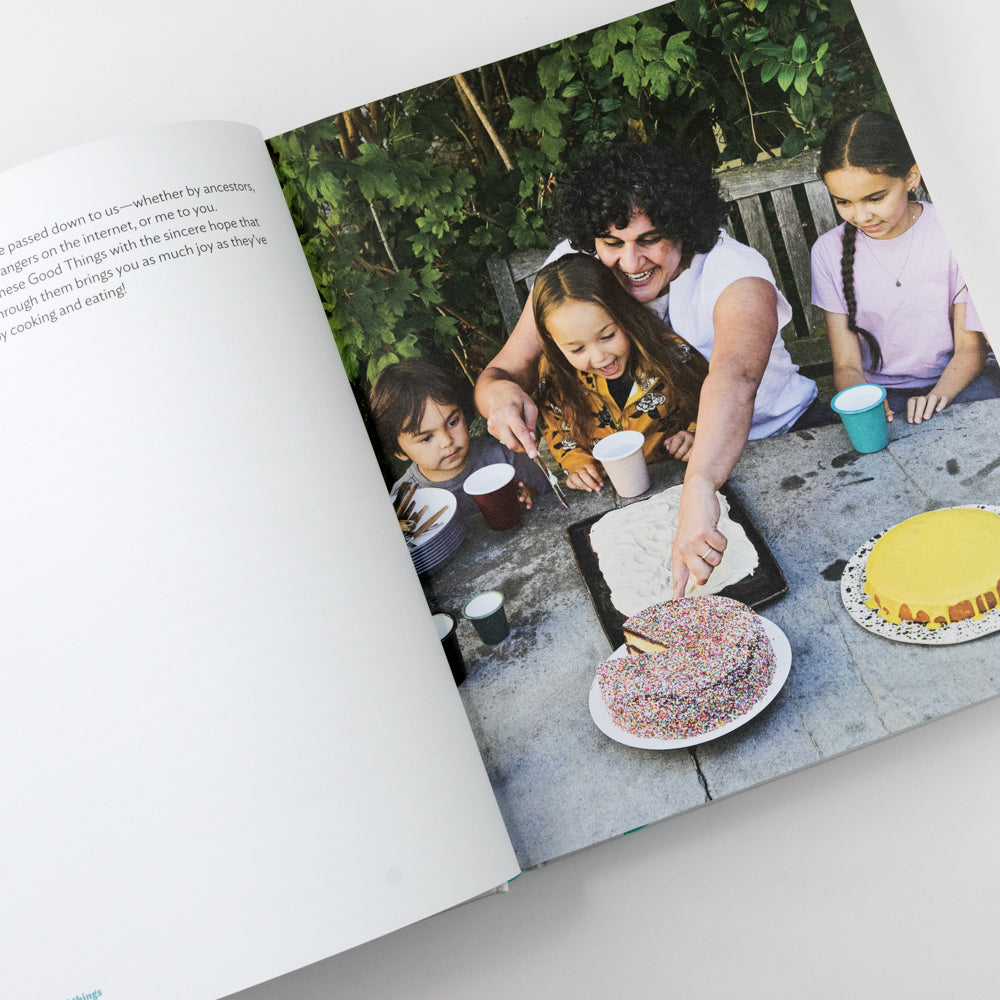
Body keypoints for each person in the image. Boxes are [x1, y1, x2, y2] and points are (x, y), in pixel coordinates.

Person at [475, 141, 823, 595]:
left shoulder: (736, 272)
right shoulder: (575, 264)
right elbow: (499, 375)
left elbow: (734, 380)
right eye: (612, 244)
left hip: (782, 439)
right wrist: (499, 400)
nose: (630, 264)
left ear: (682, 226)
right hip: (667, 468)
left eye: (650, 239)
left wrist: (699, 488)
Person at [811, 110, 997, 424]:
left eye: (875, 198)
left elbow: (970, 350)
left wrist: (936, 398)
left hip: (959, 382)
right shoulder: (828, 252)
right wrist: (865, 403)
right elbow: (846, 366)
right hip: (880, 392)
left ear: (911, 177)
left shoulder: (952, 232)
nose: (861, 216)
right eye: (843, 202)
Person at [532, 253, 708, 491]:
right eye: (577, 349)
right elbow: (556, 428)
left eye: (607, 336)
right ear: (553, 343)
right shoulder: (556, 374)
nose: (599, 357)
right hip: (608, 491)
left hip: (677, 479)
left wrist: (696, 434)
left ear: (624, 314)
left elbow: (710, 396)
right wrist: (577, 464)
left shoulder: (671, 353)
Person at [369, 357, 550, 519]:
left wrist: (529, 497)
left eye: (453, 422)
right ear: (398, 450)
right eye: (426, 438)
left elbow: (550, 502)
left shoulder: (505, 457)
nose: (447, 441)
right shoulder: (405, 502)